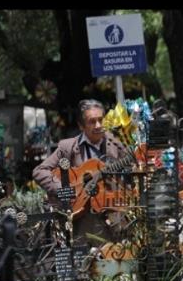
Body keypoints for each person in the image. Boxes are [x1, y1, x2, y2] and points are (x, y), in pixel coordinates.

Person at [33, 99, 131, 243]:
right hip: (82, 219)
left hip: (112, 215)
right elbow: (39, 171)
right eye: (92, 121)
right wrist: (63, 189)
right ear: (81, 125)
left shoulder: (116, 144)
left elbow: (131, 174)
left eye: (100, 120)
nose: (98, 125)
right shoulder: (69, 147)